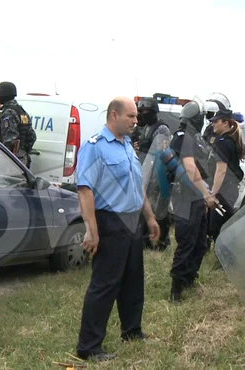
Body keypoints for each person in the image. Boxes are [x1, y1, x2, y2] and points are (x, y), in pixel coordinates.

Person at [75, 96, 160, 362]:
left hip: (132, 220)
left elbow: (137, 187)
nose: (136, 121)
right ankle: (89, 346)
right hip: (110, 221)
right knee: (105, 283)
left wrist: (150, 218)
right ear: (114, 115)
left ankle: (132, 330)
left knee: (133, 280)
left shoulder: (126, 146)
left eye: (136, 117)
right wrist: (92, 230)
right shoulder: (95, 147)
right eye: (131, 117)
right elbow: (85, 190)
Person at [167, 101, 215, 302]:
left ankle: (188, 278)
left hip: (195, 196)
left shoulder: (194, 138)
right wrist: (206, 193)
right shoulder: (182, 138)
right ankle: (176, 288)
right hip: (186, 196)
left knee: (200, 242)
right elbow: (189, 167)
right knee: (187, 242)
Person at [134, 97, 172, 251]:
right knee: (146, 208)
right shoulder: (145, 128)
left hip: (159, 174)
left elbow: (162, 151)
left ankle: (162, 241)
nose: (143, 114)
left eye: (146, 111)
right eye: (141, 111)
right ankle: (146, 240)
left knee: (161, 210)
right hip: (147, 172)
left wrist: (146, 146)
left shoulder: (161, 128)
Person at [206, 109, 244, 244]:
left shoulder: (223, 143)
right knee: (218, 226)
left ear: (225, 123)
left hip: (224, 191)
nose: (213, 125)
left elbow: (221, 171)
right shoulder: (228, 141)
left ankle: (226, 260)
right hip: (227, 190)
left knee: (219, 228)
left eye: (216, 122)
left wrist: (213, 194)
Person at [0, 81, 37, 168]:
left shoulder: (8, 113)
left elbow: (9, 141)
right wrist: (23, 151)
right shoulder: (21, 112)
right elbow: (32, 136)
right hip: (22, 160)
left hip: (11, 162)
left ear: (2, 95)